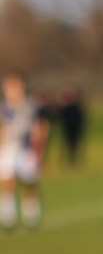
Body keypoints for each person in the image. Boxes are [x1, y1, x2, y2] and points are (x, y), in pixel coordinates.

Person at [0, 74, 51, 231]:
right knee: (6, 182)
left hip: (26, 148)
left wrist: (39, 152)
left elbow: (41, 128)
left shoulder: (31, 106)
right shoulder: (3, 108)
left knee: (29, 182)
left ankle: (31, 215)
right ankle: (8, 217)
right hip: (7, 149)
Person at [56, 86, 87, 167]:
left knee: (74, 145)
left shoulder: (75, 106)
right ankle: (70, 159)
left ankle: (73, 159)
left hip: (75, 129)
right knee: (69, 145)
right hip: (68, 129)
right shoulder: (67, 107)